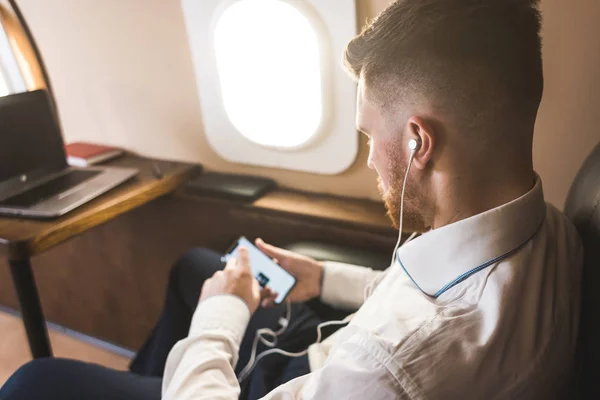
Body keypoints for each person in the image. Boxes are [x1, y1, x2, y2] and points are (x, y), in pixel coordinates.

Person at [0, 0, 583, 399]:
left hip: (299, 378)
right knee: (199, 267)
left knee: (35, 383)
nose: (374, 162)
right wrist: (323, 277)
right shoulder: (548, 229)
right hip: (338, 345)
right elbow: (425, 291)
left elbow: (403, 344)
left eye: (366, 136)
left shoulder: (390, 369)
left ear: (417, 143)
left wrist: (220, 316)